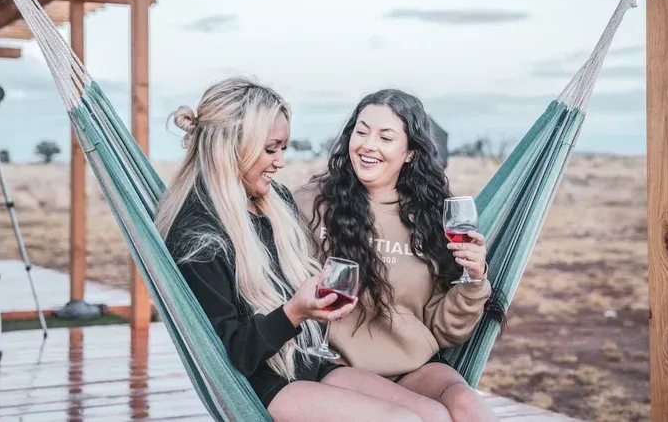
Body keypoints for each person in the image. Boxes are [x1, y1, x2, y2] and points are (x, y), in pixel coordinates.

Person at [156, 77, 460, 422]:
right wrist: (295, 312)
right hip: (264, 384)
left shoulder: (275, 202)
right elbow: (231, 353)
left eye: (283, 148)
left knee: (435, 416)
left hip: (312, 364)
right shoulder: (199, 238)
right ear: (232, 147)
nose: (280, 162)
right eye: (271, 149)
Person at [294, 89, 505, 422]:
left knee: (469, 405)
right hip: (339, 367)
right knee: (432, 417)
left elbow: (444, 330)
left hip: (414, 367)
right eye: (361, 132)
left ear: (410, 153)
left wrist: (474, 280)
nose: (368, 145)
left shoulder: (431, 217)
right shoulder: (311, 205)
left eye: (386, 137)